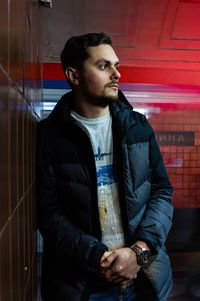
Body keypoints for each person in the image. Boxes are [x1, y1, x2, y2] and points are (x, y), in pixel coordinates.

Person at [37, 32, 173, 301]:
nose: (116, 74)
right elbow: (48, 214)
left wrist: (138, 253)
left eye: (116, 66)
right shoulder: (48, 136)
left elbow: (162, 192)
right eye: (103, 66)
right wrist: (100, 258)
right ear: (74, 76)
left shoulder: (138, 126)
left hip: (144, 278)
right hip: (83, 286)